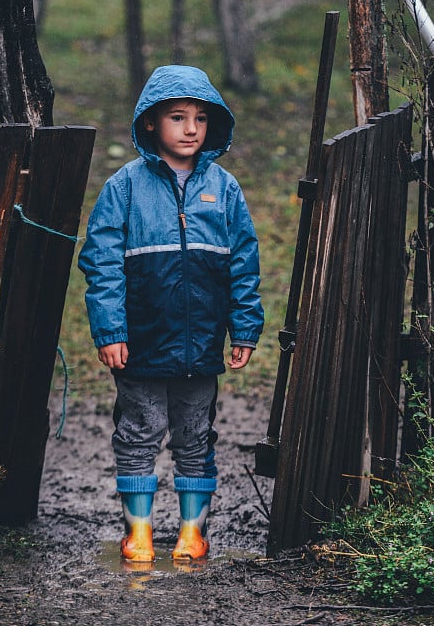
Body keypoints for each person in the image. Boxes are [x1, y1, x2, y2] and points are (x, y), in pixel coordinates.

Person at [78, 65, 264, 563]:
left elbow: (244, 263)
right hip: (139, 343)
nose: (190, 129)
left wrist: (244, 326)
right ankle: (138, 532)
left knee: (196, 436)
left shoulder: (224, 189)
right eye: (177, 118)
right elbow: (101, 263)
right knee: (138, 431)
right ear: (149, 125)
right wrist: (111, 330)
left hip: (200, 343)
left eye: (201, 119)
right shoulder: (125, 187)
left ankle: (191, 532)